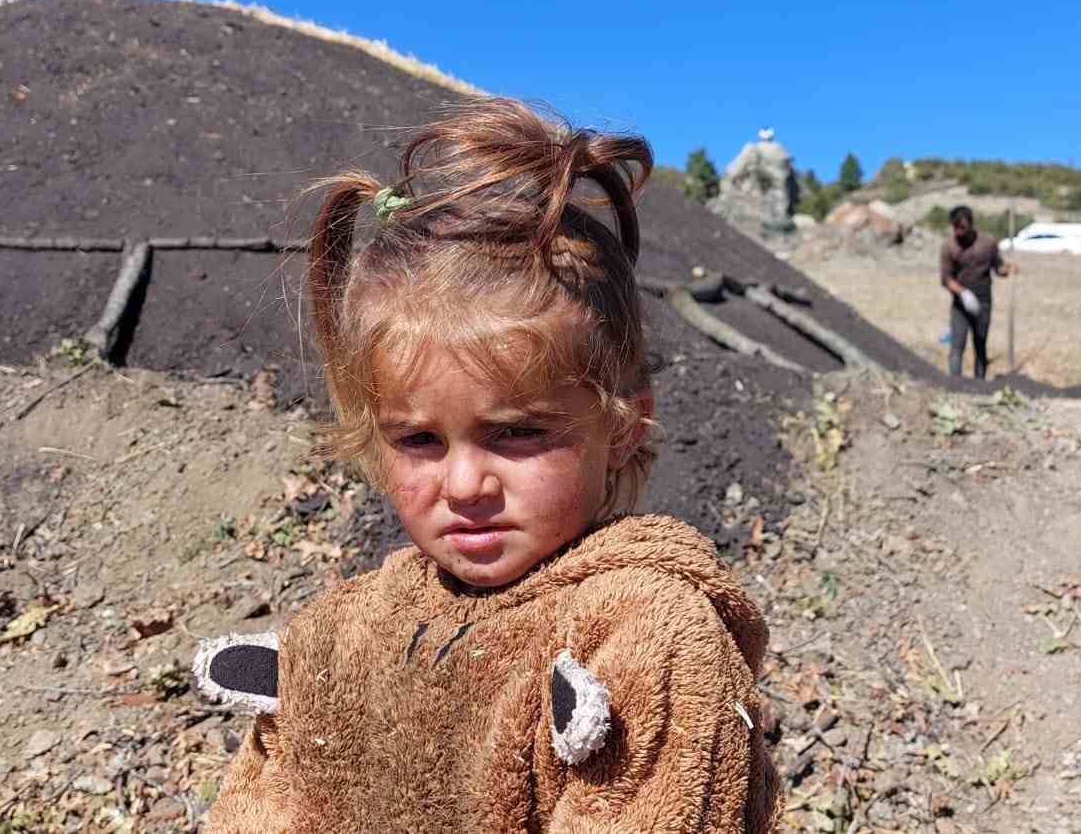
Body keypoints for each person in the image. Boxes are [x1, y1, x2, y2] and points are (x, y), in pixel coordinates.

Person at [200, 99, 781, 832]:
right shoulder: (341, 630)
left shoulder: (645, 636)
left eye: (515, 433)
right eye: (418, 440)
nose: (466, 484)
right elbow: (262, 805)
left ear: (624, 423)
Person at [939, 205, 1016, 379]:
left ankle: (979, 384)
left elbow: (999, 268)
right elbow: (945, 278)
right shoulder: (949, 246)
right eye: (955, 228)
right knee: (957, 344)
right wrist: (963, 293)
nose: (959, 232)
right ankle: (955, 383)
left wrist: (1008, 268)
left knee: (980, 343)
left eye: (963, 228)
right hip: (960, 303)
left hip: (983, 301)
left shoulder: (988, 243)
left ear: (972, 224)